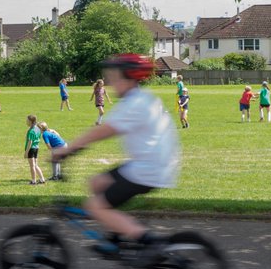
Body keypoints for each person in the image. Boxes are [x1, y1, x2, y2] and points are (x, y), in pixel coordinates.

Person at [52, 54, 179, 257]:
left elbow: (101, 131)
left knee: (95, 207)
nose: (110, 82)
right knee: (97, 182)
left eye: (114, 77)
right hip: (151, 165)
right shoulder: (141, 98)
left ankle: (149, 241)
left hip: (147, 170)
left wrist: (67, 149)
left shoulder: (134, 104)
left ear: (127, 78)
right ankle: (116, 236)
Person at [24, 113, 46, 185]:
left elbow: (30, 142)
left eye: (27, 120)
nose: (26, 122)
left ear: (31, 121)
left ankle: (33, 181)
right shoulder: (38, 129)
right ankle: (42, 179)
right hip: (36, 148)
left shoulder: (31, 131)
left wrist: (26, 152)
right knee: (36, 165)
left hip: (31, 149)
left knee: (32, 166)